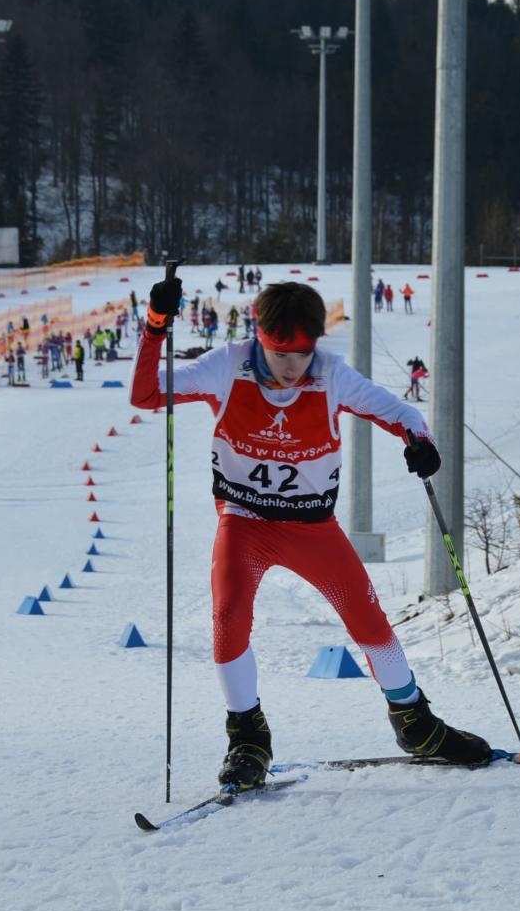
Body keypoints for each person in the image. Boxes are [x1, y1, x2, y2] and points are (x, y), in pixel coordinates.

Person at [131, 276, 491, 791]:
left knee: (368, 620)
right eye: (281, 354)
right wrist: (155, 326)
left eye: (302, 353)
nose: (292, 367)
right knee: (229, 616)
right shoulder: (227, 365)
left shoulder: (331, 375)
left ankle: (416, 723)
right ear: (261, 338)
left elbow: (402, 413)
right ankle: (248, 739)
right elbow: (146, 394)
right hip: (245, 521)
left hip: (311, 527)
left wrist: (421, 442)